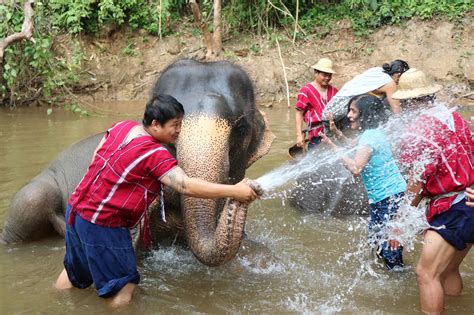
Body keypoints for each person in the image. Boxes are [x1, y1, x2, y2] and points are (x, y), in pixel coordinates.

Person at [54, 94, 261, 307]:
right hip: (103, 224)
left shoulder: (122, 127)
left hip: (77, 209)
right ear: (155, 124)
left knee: (73, 273)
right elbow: (184, 185)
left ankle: (55, 306)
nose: (180, 130)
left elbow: (98, 153)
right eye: (175, 125)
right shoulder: (153, 154)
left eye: (181, 124)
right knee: (125, 286)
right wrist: (234, 191)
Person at [393, 68, 474, 314]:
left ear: (411, 101)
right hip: (469, 203)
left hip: (454, 208)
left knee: (425, 274)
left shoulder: (418, 130)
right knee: (447, 269)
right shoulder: (455, 117)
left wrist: (399, 222)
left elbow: (417, 182)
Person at [320, 94, 407, 270]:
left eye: (353, 111)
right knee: (378, 241)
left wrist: (333, 147)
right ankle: (389, 274)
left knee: (389, 249)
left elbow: (356, 168)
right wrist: (336, 133)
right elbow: (354, 145)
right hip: (387, 196)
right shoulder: (372, 133)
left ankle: (398, 278)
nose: (349, 115)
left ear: (365, 114)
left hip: (387, 198)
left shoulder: (369, 137)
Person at [322, 59, 409, 134]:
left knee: (334, 142)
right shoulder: (390, 83)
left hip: (329, 110)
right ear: (398, 75)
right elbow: (397, 112)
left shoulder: (378, 71)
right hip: (343, 108)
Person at [295, 58, 338, 150]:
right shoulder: (306, 91)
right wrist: (299, 135)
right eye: (324, 75)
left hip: (333, 136)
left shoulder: (334, 91)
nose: (327, 78)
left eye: (329, 75)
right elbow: (299, 113)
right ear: (316, 73)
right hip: (317, 137)